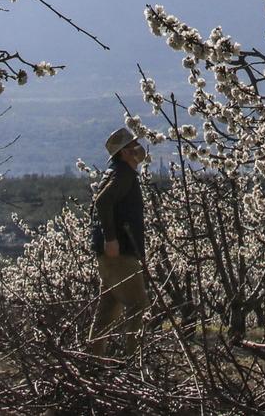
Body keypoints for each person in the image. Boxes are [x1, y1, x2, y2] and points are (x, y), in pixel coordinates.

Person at [89, 125, 149, 357]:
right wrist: (111, 239)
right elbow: (103, 203)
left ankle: (95, 358)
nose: (138, 149)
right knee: (138, 306)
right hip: (121, 251)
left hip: (112, 253)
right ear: (124, 152)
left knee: (108, 307)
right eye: (133, 146)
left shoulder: (114, 173)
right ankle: (134, 361)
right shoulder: (123, 174)